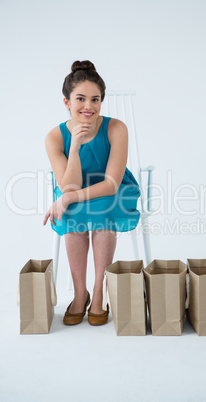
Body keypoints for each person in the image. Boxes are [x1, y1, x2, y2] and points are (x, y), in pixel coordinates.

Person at [43, 60, 141, 326]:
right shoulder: (54, 136)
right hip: (72, 187)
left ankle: (98, 292)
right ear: (66, 102)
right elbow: (67, 185)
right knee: (74, 213)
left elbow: (110, 184)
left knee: (102, 207)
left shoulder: (116, 128)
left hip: (112, 189)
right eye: (80, 99)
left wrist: (66, 198)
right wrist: (74, 147)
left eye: (95, 99)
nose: (89, 106)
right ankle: (79, 294)